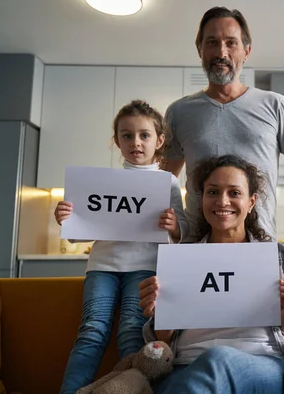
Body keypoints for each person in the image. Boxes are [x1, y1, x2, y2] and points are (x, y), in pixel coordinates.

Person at [138, 155, 284, 393]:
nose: (222, 201)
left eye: (234, 193)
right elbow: (162, 342)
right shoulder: (180, 259)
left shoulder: (279, 257)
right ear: (202, 199)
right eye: (212, 192)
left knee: (218, 359)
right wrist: (162, 315)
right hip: (187, 365)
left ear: (251, 202)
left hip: (263, 363)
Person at [55, 100, 188, 394]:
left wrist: (174, 225)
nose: (136, 142)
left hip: (145, 268)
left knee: (132, 332)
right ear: (117, 140)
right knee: (91, 332)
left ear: (160, 141)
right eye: (127, 135)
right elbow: (78, 235)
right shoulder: (100, 182)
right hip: (102, 266)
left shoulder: (168, 183)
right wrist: (67, 217)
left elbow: (183, 233)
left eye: (144, 135)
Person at [164, 6, 284, 240]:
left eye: (231, 43)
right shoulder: (179, 112)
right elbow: (163, 180)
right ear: (200, 50)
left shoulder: (275, 105)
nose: (221, 52)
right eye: (212, 42)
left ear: (246, 51)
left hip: (260, 243)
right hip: (196, 247)